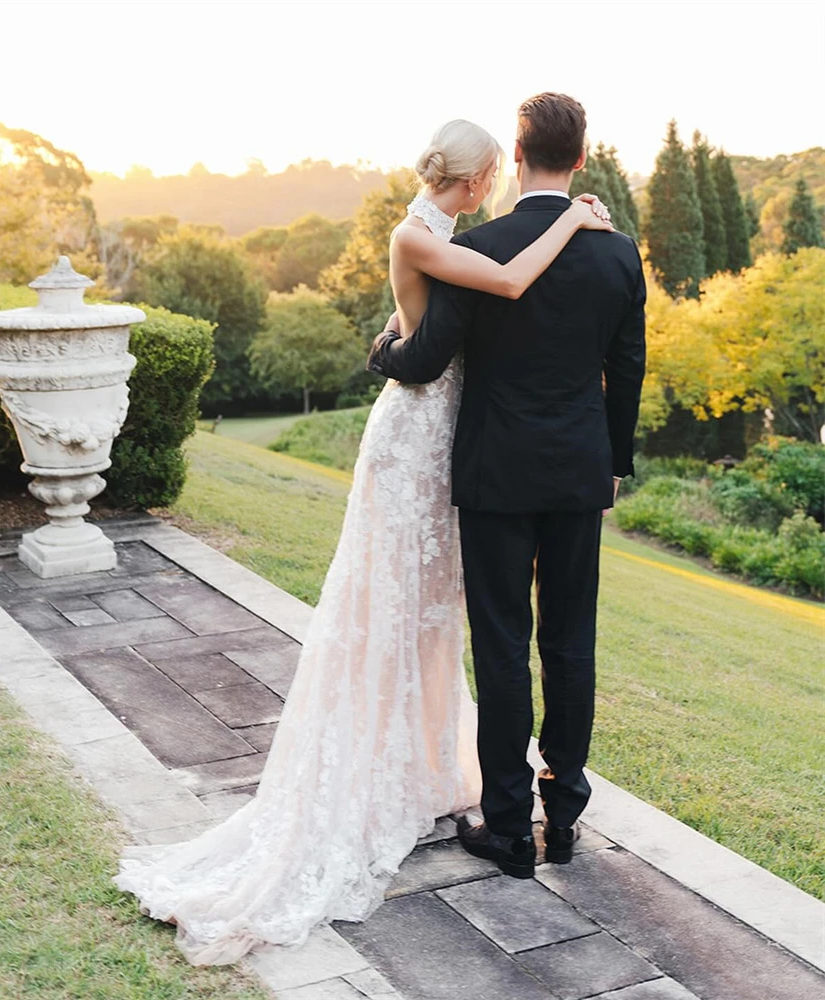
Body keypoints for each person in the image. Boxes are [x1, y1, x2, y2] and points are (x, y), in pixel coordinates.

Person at [114, 116, 614, 965]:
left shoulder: (445, 227)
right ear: (481, 175)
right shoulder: (421, 234)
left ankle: (417, 765)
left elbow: (417, 336)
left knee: (433, 615)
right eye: (489, 174)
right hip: (425, 442)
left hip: (457, 443)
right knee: (404, 608)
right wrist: (570, 217)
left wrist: (391, 344)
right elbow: (493, 300)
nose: (496, 184)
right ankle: (386, 776)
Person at [368, 92, 647, 879]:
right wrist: (613, 463)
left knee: (501, 645)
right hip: (576, 473)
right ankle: (562, 816)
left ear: (517, 158)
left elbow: (427, 358)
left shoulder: (481, 247)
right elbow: (625, 371)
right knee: (570, 641)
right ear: (582, 159)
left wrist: (384, 349)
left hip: (493, 471)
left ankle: (507, 827)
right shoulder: (618, 253)